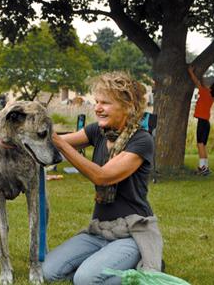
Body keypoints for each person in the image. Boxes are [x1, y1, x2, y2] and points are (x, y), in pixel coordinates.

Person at [43, 71, 163, 285]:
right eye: (96, 101)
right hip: (99, 230)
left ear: (128, 106)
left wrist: (60, 143)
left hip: (131, 232)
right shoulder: (98, 132)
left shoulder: (141, 140)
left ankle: (143, 265)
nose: (97, 107)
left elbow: (103, 177)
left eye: (105, 103)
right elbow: (55, 144)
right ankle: (108, 264)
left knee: (84, 280)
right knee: (49, 271)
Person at [188, 65, 214, 176]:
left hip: (202, 122)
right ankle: (204, 167)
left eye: (210, 86)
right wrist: (200, 74)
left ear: (211, 89)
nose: (208, 86)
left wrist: (191, 72)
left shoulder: (205, 93)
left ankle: (203, 168)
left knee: (200, 144)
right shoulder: (210, 96)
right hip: (205, 122)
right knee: (202, 145)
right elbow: (202, 84)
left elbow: (197, 82)